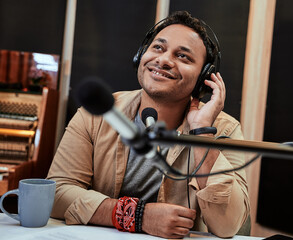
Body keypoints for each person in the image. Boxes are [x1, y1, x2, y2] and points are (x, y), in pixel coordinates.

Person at [47, 11, 250, 239]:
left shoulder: (224, 130)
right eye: (158, 48)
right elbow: (56, 192)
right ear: (140, 56)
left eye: (183, 56)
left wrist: (202, 133)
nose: (163, 60)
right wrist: (137, 215)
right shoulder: (97, 114)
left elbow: (228, 226)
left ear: (204, 78)